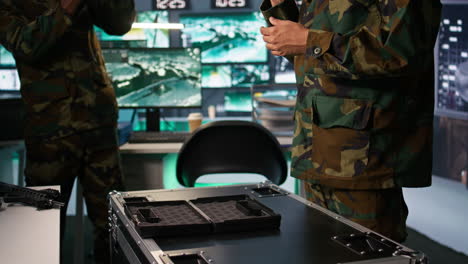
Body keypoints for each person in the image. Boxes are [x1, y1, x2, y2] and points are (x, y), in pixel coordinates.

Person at [260, 0, 441, 242]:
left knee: (370, 257)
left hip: (365, 163)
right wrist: (281, 7)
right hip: (318, 154)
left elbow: (401, 52)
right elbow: (316, 64)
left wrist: (310, 41)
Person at [0, 0, 135, 263]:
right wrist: (67, 8)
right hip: (49, 133)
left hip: (98, 123)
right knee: (37, 238)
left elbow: (120, 23)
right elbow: (24, 44)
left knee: (114, 231)